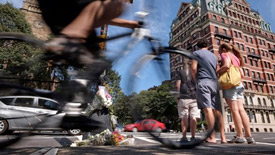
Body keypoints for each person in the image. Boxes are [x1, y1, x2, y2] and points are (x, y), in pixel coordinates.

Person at [37, 0, 140, 65]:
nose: (127, 2)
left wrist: (130, 24)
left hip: (56, 15)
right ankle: (69, 39)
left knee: (95, 57)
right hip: (64, 8)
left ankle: (74, 93)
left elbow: (95, 13)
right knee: (117, 5)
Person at [217, 43, 256, 144]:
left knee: (234, 110)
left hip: (230, 85)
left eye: (219, 50)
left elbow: (226, 66)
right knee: (241, 110)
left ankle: (240, 136)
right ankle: (249, 136)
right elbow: (242, 74)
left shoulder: (225, 55)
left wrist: (218, 72)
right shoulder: (236, 57)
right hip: (239, 84)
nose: (219, 52)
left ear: (224, 49)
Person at [191, 38, 227, 144]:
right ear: (207, 46)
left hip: (203, 81)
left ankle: (212, 137)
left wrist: (195, 79)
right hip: (214, 82)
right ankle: (223, 137)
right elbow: (216, 70)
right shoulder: (213, 56)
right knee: (217, 111)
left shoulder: (196, 53)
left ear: (198, 46)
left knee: (208, 109)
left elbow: (193, 68)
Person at [176, 58, 200, 143]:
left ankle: (184, 137)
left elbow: (178, 86)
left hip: (183, 97)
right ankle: (193, 137)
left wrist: (177, 97)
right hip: (194, 97)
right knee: (193, 117)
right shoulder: (195, 72)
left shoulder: (181, 72)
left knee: (184, 117)